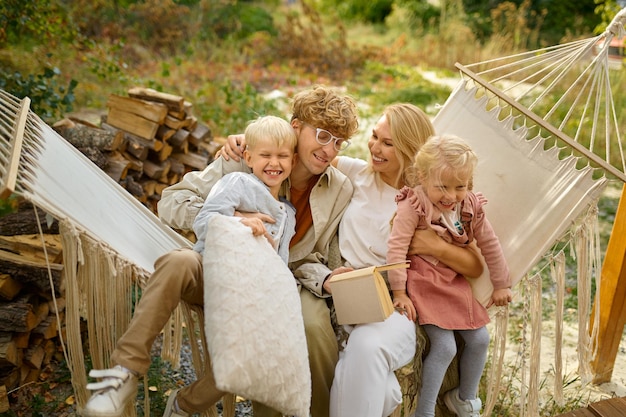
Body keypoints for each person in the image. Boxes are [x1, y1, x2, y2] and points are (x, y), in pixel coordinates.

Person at [81, 85, 359, 417]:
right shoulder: (245, 159)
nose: (330, 149)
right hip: (216, 267)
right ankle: (123, 374)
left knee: (269, 345)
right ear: (296, 127)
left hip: (264, 288)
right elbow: (171, 202)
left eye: (339, 142)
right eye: (324, 136)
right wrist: (234, 219)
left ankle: (189, 404)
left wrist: (327, 277)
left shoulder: (338, 188)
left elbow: (307, 258)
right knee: (179, 260)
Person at [323, 104, 485, 417]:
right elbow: (296, 151)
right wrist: (238, 144)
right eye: (374, 137)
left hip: (395, 303)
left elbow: (476, 266)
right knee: (379, 388)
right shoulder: (354, 172)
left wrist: (433, 246)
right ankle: (390, 397)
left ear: (410, 149)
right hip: (348, 292)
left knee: (367, 347)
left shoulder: (430, 200)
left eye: (387, 143)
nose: (374, 147)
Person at [386, 134, 513, 417]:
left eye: (461, 186)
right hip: (421, 282)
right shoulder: (413, 205)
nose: (451, 196)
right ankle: (425, 410)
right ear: (422, 176)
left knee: (480, 339)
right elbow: (396, 248)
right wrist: (399, 291)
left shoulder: (469, 207)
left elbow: (489, 244)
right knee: (444, 347)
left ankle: (465, 399)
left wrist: (501, 284)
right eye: (442, 186)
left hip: (452, 282)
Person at [192, 115, 297, 264]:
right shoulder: (237, 182)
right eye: (265, 155)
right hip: (218, 268)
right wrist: (238, 222)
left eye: (282, 156)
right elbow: (202, 221)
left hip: (256, 282)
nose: (274, 163)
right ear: (248, 158)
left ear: (293, 161)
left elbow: (281, 260)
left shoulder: (289, 214)